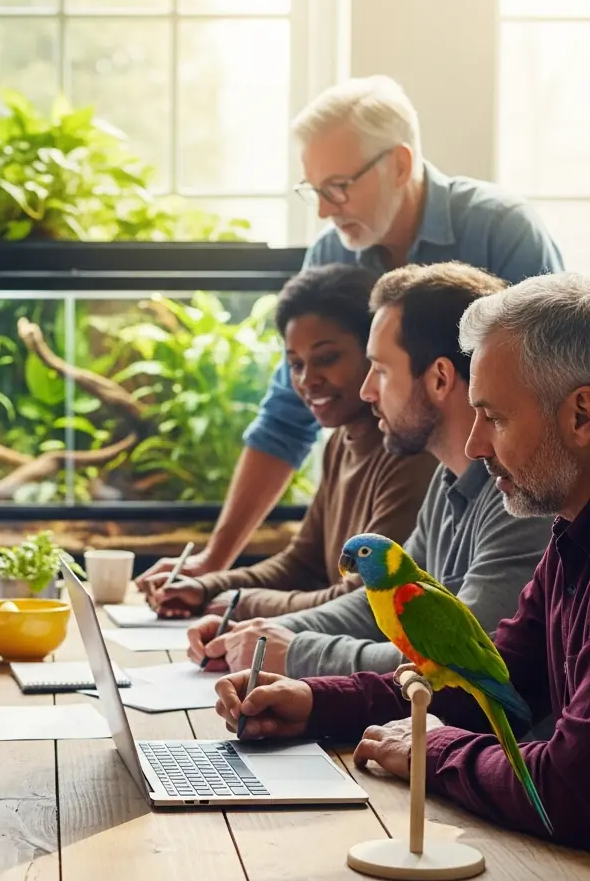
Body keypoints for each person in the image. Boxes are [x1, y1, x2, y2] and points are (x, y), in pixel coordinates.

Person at [215, 271, 590, 881]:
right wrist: (315, 701)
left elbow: (568, 788)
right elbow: (489, 672)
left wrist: (435, 748)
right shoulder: (569, 536)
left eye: (496, 417)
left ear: (583, 414)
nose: (476, 444)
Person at [138, 74, 564, 592]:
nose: (323, 209)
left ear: (401, 164)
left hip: (507, 507)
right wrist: (213, 561)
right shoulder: (330, 252)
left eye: (337, 187)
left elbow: (548, 388)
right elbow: (286, 414)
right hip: (429, 510)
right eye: (314, 191)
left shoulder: (501, 230)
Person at [188, 262, 553, 679]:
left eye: (379, 370)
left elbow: (464, 660)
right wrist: (261, 635)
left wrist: (295, 652)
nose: (366, 391)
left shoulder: (523, 495)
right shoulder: (448, 479)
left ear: (438, 379)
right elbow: (377, 602)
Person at [142, 263, 436, 621]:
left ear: (372, 354)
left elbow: (362, 599)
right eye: (296, 365)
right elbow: (303, 564)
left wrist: (237, 602)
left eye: (327, 358)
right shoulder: (340, 444)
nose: (308, 380)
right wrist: (207, 587)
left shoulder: (411, 454)